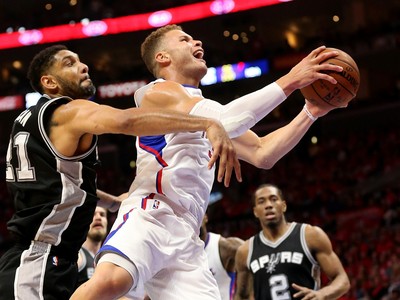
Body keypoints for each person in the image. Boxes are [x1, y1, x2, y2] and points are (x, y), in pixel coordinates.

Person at [71, 24, 345, 300]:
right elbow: (227, 121)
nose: (196, 41)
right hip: (150, 213)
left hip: (187, 236)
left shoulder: (204, 110)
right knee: (109, 284)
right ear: (163, 57)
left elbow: (263, 153)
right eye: (184, 39)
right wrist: (291, 80)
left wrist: (310, 112)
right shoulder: (157, 93)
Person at [0, 44, 240, 300]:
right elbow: (128, 121)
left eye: (80, 60)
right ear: (49, 82)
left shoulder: (26, 121)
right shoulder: (67, 111)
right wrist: (206, 123)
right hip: (38, 262)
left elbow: (62, 184)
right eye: (69, 63)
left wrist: (113, 203)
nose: (83, 66)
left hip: (40, 259)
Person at [234, 183, 350, 300]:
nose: (268, 205)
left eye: (273, 199)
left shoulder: (310, 235)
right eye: (261, 201)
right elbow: (242, 296)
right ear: (255, 211)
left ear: (283, 206)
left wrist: (322, 294)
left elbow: (342, 279)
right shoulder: (245, 250)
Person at [200, 214, 244, 300]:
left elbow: (257, 255)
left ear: (205, 217)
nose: (194, 218)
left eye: (196, 212)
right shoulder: (179, 253)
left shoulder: (223, 246)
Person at [75, 206, 109, 288]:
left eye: (102, 214)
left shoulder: (108, 259)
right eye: (93, 214)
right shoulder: (77, 256)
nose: (98, 217)